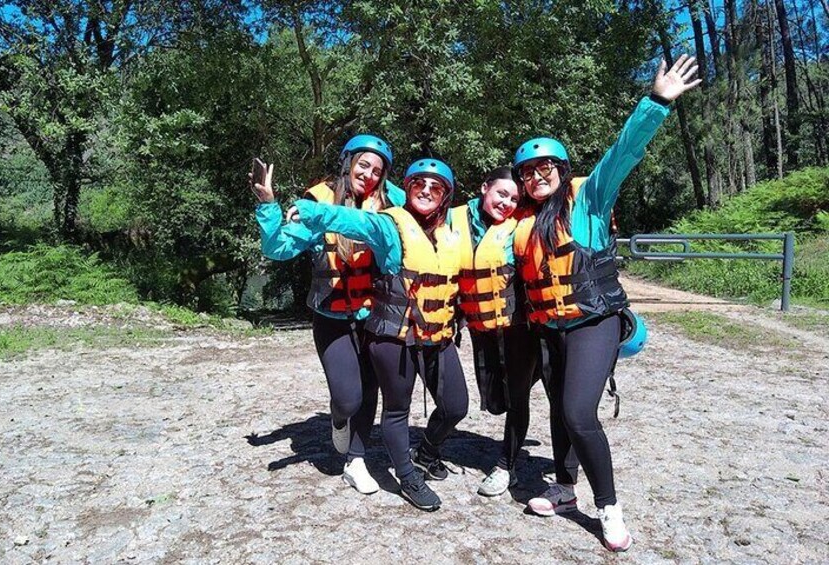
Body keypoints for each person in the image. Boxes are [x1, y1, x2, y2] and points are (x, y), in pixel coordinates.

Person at [512, 55, 701, 552]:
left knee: (578, 413)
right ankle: (566, 489)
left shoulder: (589, 199)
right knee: (558, 411)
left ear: (563, 171)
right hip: (550, 327)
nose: (539, 176)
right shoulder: (522, 225)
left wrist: (656, 101)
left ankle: (609, 508)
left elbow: (624, 151)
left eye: (547, 167)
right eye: (529, 172)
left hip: (595, 322)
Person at [271, 158, 469, 512]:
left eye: (436, 187)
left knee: (456, 405)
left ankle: (424, 453)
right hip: (391, 332)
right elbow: (352, 220)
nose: (426, 191)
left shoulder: (452, 227)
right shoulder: (390, 225)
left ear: (446, 196)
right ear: (407, 189)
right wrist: (308, 211)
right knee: (384, 406)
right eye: (419, 184)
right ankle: (406, 476)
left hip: (435, 334)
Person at [251, 134, 404, 495]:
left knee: (371, 391)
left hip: (375, 315)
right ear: (348, 162)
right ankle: (339, 419)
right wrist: (269, 205)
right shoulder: (318, 199)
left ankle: (357, 460)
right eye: (363, 165)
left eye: (377, 170)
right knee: (348, 398)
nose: (369, 174)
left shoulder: (391, 202)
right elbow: (278, 247)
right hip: (331, 315)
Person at [447, 167, 541, 497]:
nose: (507, 203)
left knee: (516, 397)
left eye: (515, 198)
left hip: (518, 327)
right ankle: (539, 371)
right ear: (484, 187)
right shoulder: (453, 218)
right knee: (495, 401)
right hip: (479, 325)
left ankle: (506, 466)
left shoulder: (522, 223)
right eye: (501, 193)